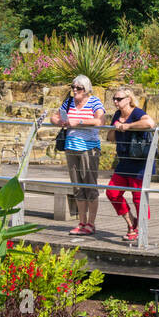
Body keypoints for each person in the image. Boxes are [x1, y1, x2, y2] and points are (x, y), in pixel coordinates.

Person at [49, 75, 105, 235]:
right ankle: (82, 222)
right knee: (78, 187)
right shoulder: (68, 102)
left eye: (78, 88)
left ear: (86, 90)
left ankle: (91, 224)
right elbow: (54, 116)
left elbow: (100, 121)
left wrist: (78, 122)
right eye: (73, 87)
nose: (74, 90)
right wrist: (58, 122)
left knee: (90, 186)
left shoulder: (94, 102)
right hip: (71, 147)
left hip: (89, 148)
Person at [106, 87, 156, 241]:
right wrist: (115, 128)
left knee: (138, 198)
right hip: (124, 162)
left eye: (119, 99)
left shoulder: (136, 112)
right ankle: (131, 222)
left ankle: (141, 230)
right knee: (112, 192)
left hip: (138, 162)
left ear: (128, 99)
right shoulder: (116, 114)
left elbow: (150, 123)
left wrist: (127, 126)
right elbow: (110, 137)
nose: (115, 101)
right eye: (114, 98)